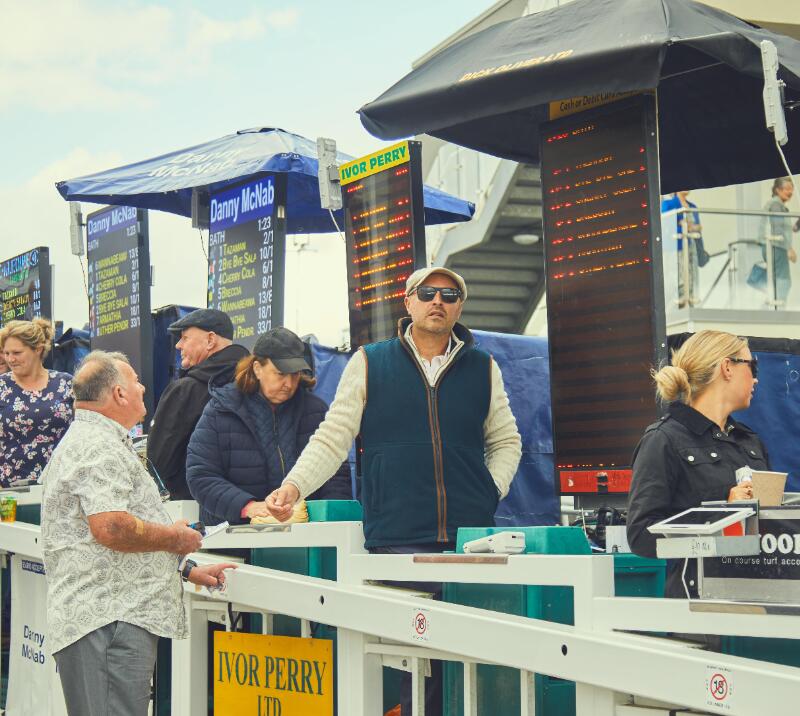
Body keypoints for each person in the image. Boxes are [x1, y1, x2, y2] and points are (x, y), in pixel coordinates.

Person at [266, 267, 522, 716]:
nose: (438, 301)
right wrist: (293, 487)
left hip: (470, 540)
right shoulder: (370, 361)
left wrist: (488, 491)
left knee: (469, 664)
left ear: (460, 306)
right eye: (428, 293)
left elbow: (506, 440)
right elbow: (333, 436)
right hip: (397, 537)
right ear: (408, 302)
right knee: (411, 665)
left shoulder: (483, 366)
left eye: (450, 294)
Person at [41, 350, 236, 716]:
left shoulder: (95, 440)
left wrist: (186, 568)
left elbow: (107, 533)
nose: (144, 387)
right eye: (135, 381)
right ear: (118, 394)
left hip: (109, 616)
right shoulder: (97, 445)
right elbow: (112, 526)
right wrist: (175, 538)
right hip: (109, 620)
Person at [627, 330, 768, 599]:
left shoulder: (750, 441)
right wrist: (722, 514)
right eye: (752, 365)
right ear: (727, 367)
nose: (756, 377)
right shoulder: (663, 440)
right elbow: (640, 534)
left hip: (758, 600)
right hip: (698, 609)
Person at [186, 327, 352, 525]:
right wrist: (248, 507)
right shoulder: (220, 409)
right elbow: (201, 475)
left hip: (305, 538)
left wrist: (330, 523)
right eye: (281, 374)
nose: (289, 383)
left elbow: (335, 476)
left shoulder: (314, 410)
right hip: (234, 540)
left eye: (295, 374)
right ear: (257, 368)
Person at [147, 308, 249, 499]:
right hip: (253, 508)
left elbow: (157, 464)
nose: (178, 345)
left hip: (192, 511)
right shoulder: (258, 386)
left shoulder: (186, 391)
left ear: (210, 340)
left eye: (185, 338)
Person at [0, 318, 73, 487]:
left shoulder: (66, 384)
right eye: (6, 353)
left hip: (63, 485)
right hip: (11, 490)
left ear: (38, 349)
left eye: (17, 353)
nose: (10, 359)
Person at [661, 191, 707, 307]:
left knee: (692, 276)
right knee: (678, 276)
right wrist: (686, 229)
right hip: (676, 248)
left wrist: (685, 225)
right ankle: (678, 305)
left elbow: (699, 228)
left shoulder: (692, 206)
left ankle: (691, 302)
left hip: (693, 247)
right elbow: (666, 228)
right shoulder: (668, 204)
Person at [761, 177, 798, 305]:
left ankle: (776, 304)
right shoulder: (776, 205)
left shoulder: (777, 204)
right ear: (778, 190)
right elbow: (777, 229)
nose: (790, 192)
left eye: (791, 189)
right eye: (787, 189)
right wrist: (789, 249)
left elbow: (783, 227)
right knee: (783, 280)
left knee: (778, 279)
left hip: (775, 246)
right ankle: (779, 307)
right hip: (777, 246)